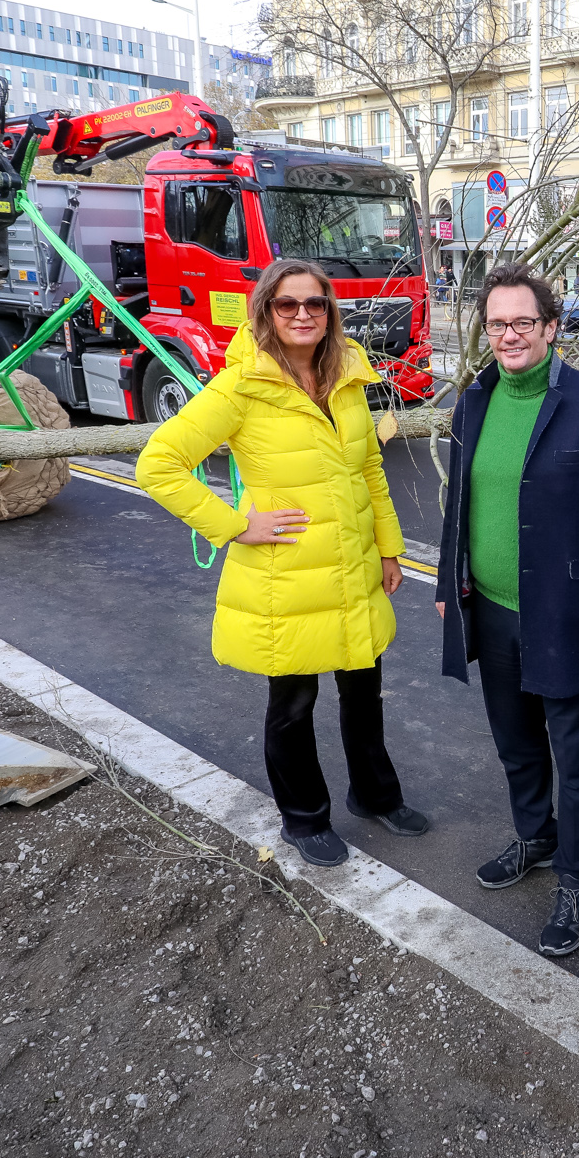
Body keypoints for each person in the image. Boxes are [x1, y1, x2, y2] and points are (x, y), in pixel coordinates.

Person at [137, 259, 429, 869]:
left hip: (352, 564)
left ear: (330, 311)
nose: (303, 315)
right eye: (287, 304)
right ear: (265, 310)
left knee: (364, 690)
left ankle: (375, 795)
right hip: (284, 574)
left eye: (315, 304)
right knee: (293, 705)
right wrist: (236, 526)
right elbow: (158, 464)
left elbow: (367, 468)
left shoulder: (346, 375)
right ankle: (304, 818)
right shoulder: (241, 386)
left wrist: (388, 546)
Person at [437, 263, 579, 957]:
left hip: (571, 616)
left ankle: (576, 878)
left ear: (552, 328)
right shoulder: (474, 400)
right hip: (493, 608)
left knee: (576, 757)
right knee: (516, 743)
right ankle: (536, 834)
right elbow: (460, 503)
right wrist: (449, 582)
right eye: (497, 323)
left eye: (523, 321)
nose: (510, 334)